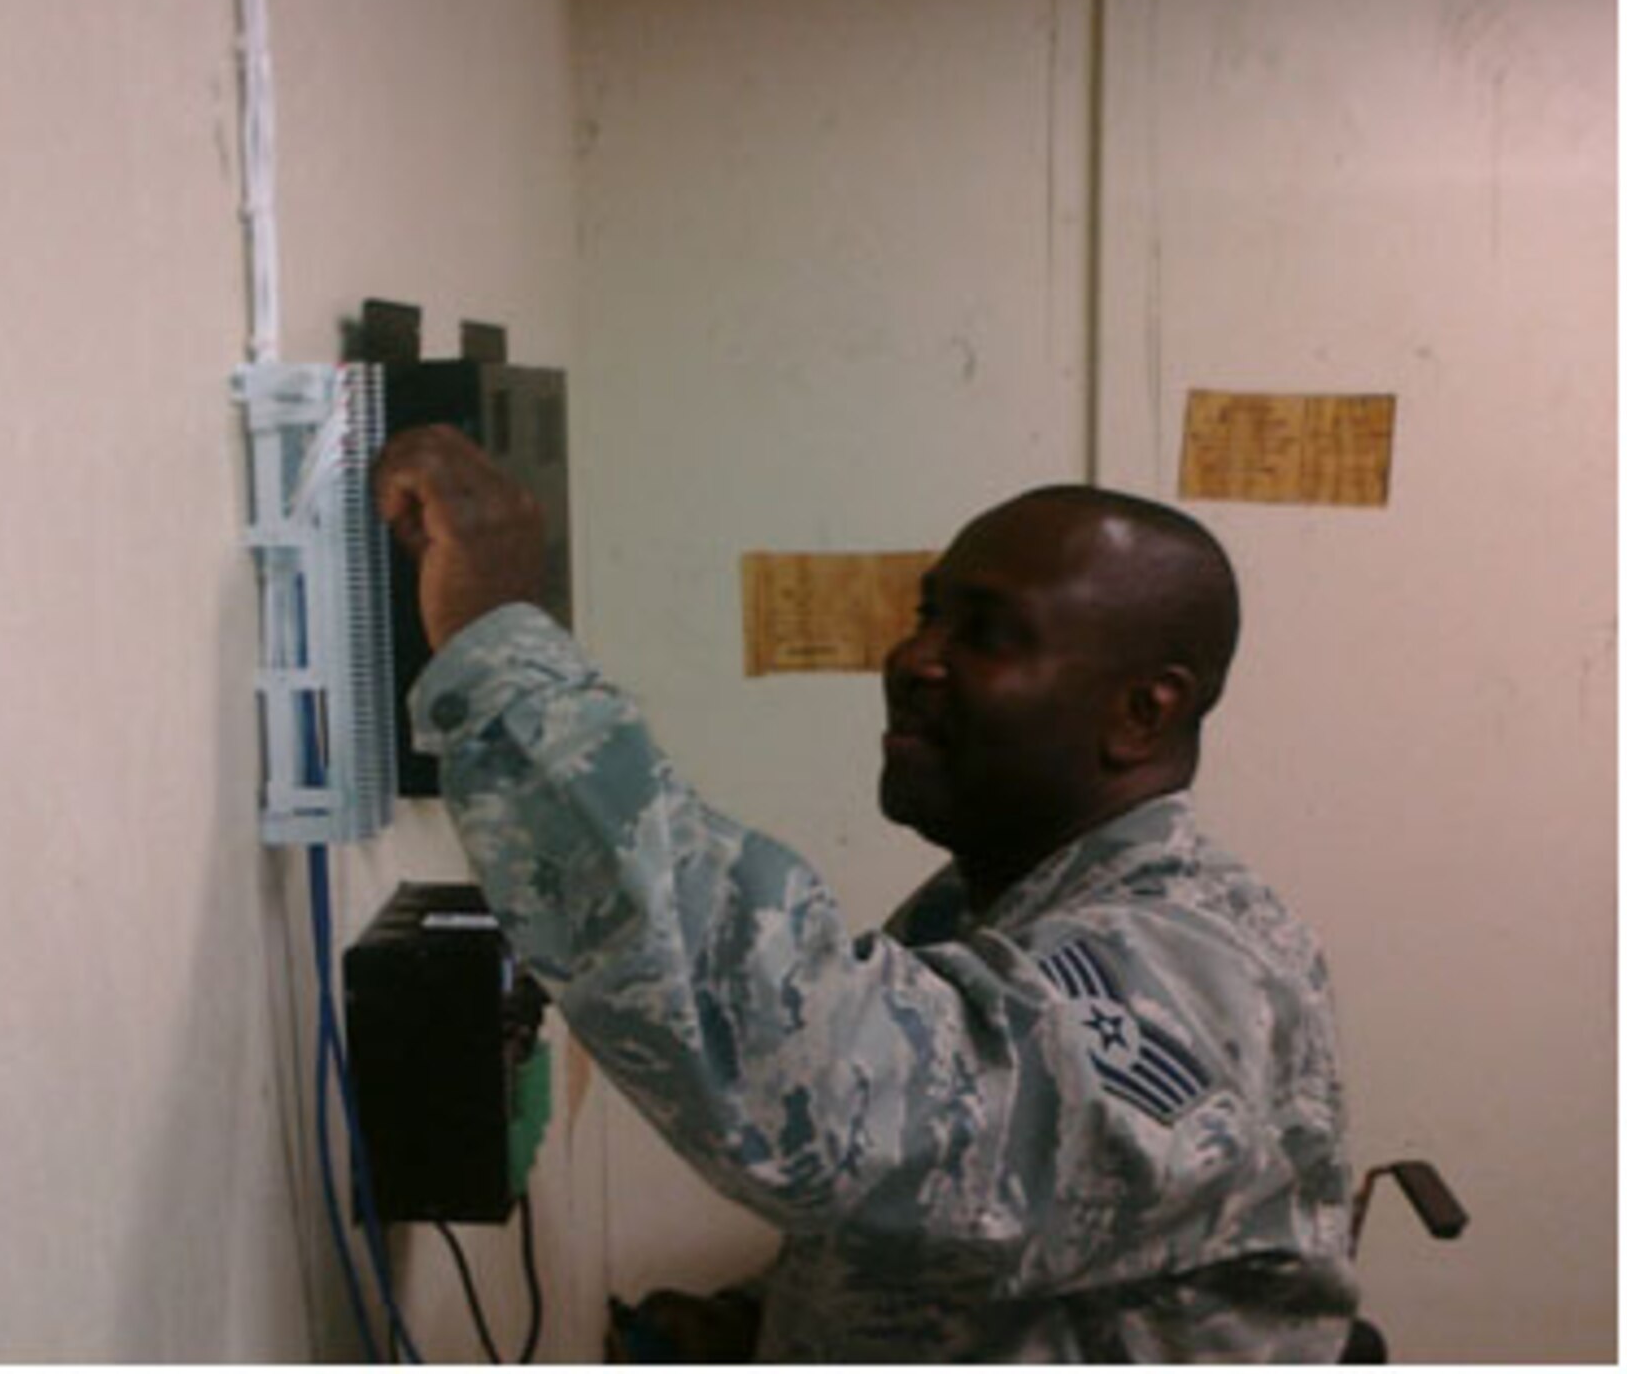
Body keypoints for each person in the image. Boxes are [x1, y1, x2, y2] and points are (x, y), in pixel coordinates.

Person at [372, 425, 1357, 1362]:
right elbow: (951, 1225)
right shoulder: (998, 903)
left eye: (987, 633)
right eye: (928, 612)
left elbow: (819, 1085)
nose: (913, 657)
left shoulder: (1194, 971)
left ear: (1142, 712)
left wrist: (495, 644)